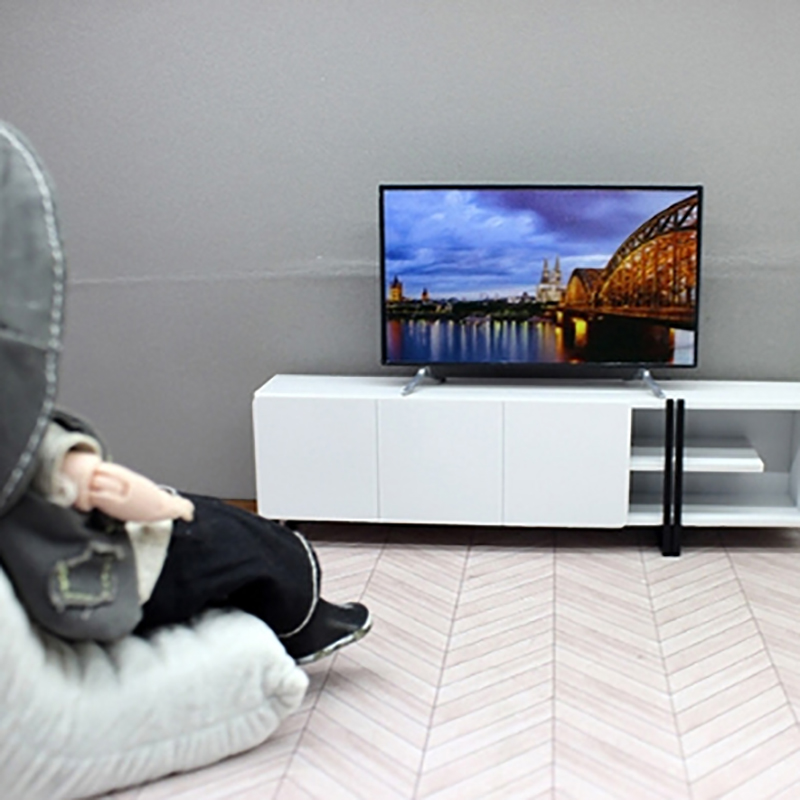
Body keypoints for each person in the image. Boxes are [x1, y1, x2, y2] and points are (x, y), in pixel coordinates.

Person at [0, 118, 370, 664]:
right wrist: (163, 505)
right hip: (92, 574)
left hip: (63, 541)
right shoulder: (21, 450)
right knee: (228, 537)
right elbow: (100, 486)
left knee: (218, 519)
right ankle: (299, 620)